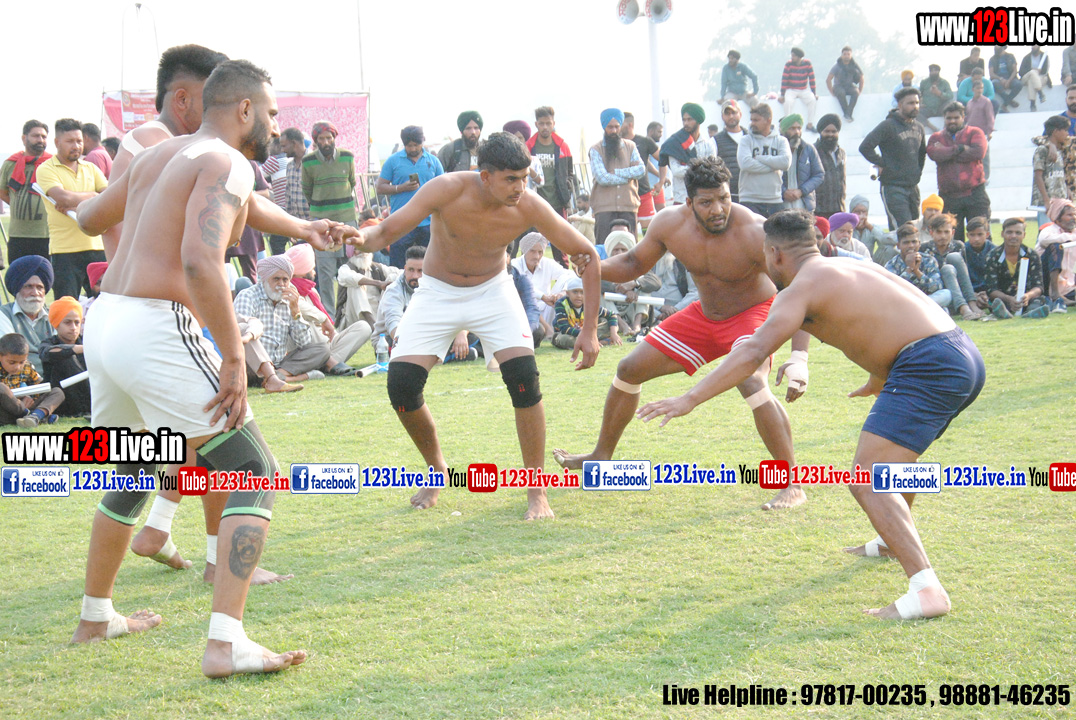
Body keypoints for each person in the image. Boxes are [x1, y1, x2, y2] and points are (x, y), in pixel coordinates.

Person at [72, 59, 346, 675]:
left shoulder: (157, 155)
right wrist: (234, 356)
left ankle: (96, 617)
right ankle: (225, 642)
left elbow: (90, 218)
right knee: (254, 470)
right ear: (244, 109)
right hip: (154, 324)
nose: (275, 123)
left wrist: (302, 226)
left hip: (106, 319)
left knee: (133, 469)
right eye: (271, 112)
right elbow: (200, 260)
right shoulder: (228, 161)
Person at [637, 208, 985, 620]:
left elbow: (752, 351)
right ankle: (892, 540)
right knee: (892, 465)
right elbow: (896, 316)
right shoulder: (850, 266)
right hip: (962, 353)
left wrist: (689, 399)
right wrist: (879, 377)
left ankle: (927, 592)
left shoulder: (798, 289)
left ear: (774, 254)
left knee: (868, 479)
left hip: (928, 365)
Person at [349, 132, 601, 521]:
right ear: (485, 176)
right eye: (511, 179)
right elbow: (383, 232)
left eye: (525, 177)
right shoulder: (446, 189)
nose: (520, 188)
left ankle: (536, 490)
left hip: (493, 290)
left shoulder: (529, 205)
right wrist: (357, 236)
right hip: (436, 291)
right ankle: (436, 468)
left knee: (524, 379)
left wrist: (590, 329)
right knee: (401, 385)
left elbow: (586, 253)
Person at [554, 157, 810, 511]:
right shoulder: (669, 224)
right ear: (688, 202)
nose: (718, 209)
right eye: (706, 202)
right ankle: (601, 456)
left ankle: (793, 484)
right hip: (705, 316)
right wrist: (594, 265)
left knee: (751, 380)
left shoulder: (755, 232)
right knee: (629, 368)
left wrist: (799, 358)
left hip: (752, 315)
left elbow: (801, 289)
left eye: (724, 198)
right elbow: (632, 264)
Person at [104, 44, 230, 260]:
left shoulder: (178, 143)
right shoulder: (150, 141)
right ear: (182, 99)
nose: (221, 111)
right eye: (214, 100)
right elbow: (111, 221)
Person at [35, 118, 108, 300]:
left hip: (96, 246)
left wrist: (77, 203)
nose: (76, 146)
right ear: (57, 142)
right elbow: (63, 198)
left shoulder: (91, 168)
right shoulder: (46, 169)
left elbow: (108, 197)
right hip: (64, 250)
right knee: (67, 306)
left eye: (79, 141)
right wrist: (94, 195)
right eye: (70, 141)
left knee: (103, 304)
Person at [233, 256, 332, 383]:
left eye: (285, 280)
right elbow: (242, 336)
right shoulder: (247, 296)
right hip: (253, 365)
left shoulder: (289, 300)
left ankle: (276, 376)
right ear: (264, 279)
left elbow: (304, 343)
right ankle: (292, 378)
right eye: (276, 279)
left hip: (280, 364)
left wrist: (295, 311)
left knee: (322, 349)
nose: (281, 284)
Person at [301, 120, 357, 316]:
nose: (325, 142)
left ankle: (349, 314)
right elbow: (307, 190)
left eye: (328, 138)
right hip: (321, 223)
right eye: (321, 139)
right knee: (325, 273)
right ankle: (329, 318)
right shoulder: (308, 162)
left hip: (347, 219)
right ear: (315, 141)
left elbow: (352, 182)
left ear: (334, 138)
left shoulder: (347, 157)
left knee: (350, 268)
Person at [859, 87, 927, 230]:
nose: (915, 106)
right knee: (903, 229)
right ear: (900, 105)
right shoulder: (888, 125)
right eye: (910, 103)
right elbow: (865, 147)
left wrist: (917, 173)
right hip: (893, 186)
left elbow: (922, 154)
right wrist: (884, 164)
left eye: (917, 103)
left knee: (915, 228)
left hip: (913, 186)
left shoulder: (919, 127)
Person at [376, 125, 444, 268]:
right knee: (398, 267)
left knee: (430, 265)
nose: (413, 149)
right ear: (404, 144)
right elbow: (380, 187)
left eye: (416, 145)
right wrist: (401, 188)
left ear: (423, 141)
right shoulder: (393, 161)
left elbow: (443, 188)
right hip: (401, 222)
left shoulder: (433, 161)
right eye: (409, 146)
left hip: (427, 222)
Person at [925, 102, 990, 242]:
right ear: (944, 118)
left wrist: (947, 151)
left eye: (956, 117)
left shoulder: (975, 132)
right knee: (952, 240)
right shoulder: (936, 137)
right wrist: (960, 148)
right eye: (949, 118)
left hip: (975, 193)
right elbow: (935, 154)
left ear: (963, 117)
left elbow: (978, 152)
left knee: (981, 236)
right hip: (949, 196)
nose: (952, 121)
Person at [526, 106, 577, 266]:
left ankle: (564, 279)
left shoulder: (562, 145)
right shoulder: (529, 146)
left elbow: (569, 172)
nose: (545, 127)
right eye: (542, 123)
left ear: (553, 123)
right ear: (536, 124)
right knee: (533, 245)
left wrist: (567, 191)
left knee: (561, 247)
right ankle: (532, 277)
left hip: (557, 203)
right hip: (535, 204)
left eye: (548, 123)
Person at [589, 108, 645, 243]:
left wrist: (618, 172)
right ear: (604, 127)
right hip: (604, 209)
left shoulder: (631, 146)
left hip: (628, 206)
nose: (614, 130)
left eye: (616, 127)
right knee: (604, 248)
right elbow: (602, 178)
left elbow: (641, 170)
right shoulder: (595, 149)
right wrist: (628, 176)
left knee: (630, 248)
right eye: (610, 127)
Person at [0, 120, 51, 262]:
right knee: (18, 274)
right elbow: (2, 192)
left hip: (46, 235)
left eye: (44, 137)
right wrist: (19, 205)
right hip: (18, 235)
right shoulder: (10, 164)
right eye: (36, 136)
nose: (40, 140)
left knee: (46, 275)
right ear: (24, 138)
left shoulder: (52, 164)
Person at [0, 255, 56, 373]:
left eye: (40, 287)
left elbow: (62, 350)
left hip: (55, 378)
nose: (35, 293)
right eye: (28, 287)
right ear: (18, 289)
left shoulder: (54, 315)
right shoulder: (4, 314)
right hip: (19, 379)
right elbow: (12, 353)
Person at [984, 218, 1048, 319]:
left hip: (1026, 299)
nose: (1013, 236)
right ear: (1002, 234)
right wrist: (1009, 299)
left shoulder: (1032, 255)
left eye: (1018, 233)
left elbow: (1038, 286)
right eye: (1009, 232)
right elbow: (991, 289)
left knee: (1039, 300)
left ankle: (1031, 312)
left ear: (1024, 235)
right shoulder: (992, 256)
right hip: (1003, 298)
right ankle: (1004, 312)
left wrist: (1028, 296)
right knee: (996, 302)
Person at [39, 296, 91, 417]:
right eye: (67, 322)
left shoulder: (87, 342)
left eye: (77, 322)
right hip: (62, 401)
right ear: (56, 324)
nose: (73, 328)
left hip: (87, 397)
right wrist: (77, 349)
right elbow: (47, 353)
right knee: (66, 357)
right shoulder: (48, 344)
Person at [737, 103, 791, 218]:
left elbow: (785, 163)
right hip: (749, 199)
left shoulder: (781, 141)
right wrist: (774, 165)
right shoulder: (745, 140)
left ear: (768, 120)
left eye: (756, 120)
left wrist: (760, 158)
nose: (752, 123)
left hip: (775, 199)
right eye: (751, 120)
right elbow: (745, 164)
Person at [0, 333, 64, 428]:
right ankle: (36, 416)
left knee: (57, 392)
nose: (17, 367)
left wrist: (29, 396)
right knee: (1, 387)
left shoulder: (27, 367)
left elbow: (40, 387)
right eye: (12, 362)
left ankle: (35, 417)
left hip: (26, 406)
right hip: (5, 411)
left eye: (21, 362)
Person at [884, 223, 952, 311]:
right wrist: (909, 269)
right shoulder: (892, 264)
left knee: (946, 294)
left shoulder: (929, 260)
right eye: (906, 243)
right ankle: (923, 309)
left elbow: (936, 287)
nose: (911, 246)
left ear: (919, 244)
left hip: (927, 298)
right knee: (943, 310)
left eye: (914, 242)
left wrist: (917, 271)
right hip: (904, 301)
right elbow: (893, 291)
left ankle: (918, 308)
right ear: (898, 246)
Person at [658, 103, 716, 206]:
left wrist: (694, 169)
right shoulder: (674, 143)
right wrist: (701, 169)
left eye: (689, 119)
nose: (686, 123)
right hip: (681, 199)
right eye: (684, 120)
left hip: (703, 198)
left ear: (698, 120)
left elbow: (712, 169)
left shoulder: (708, 144)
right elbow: (676, 171)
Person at [553, 277, 620, 349]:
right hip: (569, 334)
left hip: (587, 332)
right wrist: (587, 336)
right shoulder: (561, 304)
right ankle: (596, 342)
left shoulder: (590, 303)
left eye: (582, 292)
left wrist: (614, 333)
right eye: (575, 292)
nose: (579, 296)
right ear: (567, 293)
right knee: (565, 339)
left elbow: (611, 315)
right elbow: (564, 328)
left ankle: (591, 342)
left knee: (611, 327)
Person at [1035, 198, 1076, 311]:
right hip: (1043, 279)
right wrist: (1069, 238)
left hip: (1067, 283)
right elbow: (1044, 241)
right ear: (1058, 218)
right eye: (1069, 215)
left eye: (1074, 214)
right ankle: (1055, 293)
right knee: (1056, 246)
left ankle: (1063, 295)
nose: (1073, 218)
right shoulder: (1049, 230)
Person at [621, 112, 660, 230]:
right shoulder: (616, 144)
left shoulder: (644, 141)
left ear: (629, 124)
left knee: (648, 230)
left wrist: (661, 180)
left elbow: (662, 159)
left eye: (620, 124)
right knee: (627, 231)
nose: (617, 128)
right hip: (625, 194)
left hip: (644, 192)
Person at [1032, 116, 1072, 226]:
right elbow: (1038, 176)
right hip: (1047, 201)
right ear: (1055, 131)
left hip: (1060, 199)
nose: (1067, 134)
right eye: (1065, 130)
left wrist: (1066, 189)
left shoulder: (1060, 150)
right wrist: (1046, 200)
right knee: (1046, 230)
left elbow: (1060, 173)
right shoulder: (1042, 150)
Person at [780, 114, 824, 212]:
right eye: (792, 128)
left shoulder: (808, 149)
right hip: (780, 204)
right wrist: (783, 192)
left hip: (804, 203)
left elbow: (819, 174)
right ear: (783, 131)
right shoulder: (775, 150)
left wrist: (801, 191)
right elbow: (769, 176)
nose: (796, 132)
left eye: (799, 128)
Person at [814, 114, 846, 217]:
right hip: (819, 209)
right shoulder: (812, 151)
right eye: (827, 131)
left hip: (838, 207)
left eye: (834, 131)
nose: (830, 134)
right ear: (820, 132)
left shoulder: (841, 153)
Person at [713, 101, 746, 203]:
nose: (731, 116)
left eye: (734, 112)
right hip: (728, 196)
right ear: (722, 117)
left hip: (750, 196)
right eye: (727, 113)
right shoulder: (715, 141)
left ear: (740, 114)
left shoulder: (751, 138)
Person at [779, 47, 818, 132]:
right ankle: (787, 124)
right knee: (788, 102)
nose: (792, 57)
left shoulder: (807, 64)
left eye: (794, 56)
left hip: (803, 89)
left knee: (812, 100)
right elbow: (784, 79)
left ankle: (810, 124)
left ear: (799, 57)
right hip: (791, 89)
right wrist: (782, 94)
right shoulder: (788, 64)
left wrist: (814, 93)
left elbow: (812, 79)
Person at [826, 46, 864, 122]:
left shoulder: (854, 65)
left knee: (855, 92)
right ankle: (847, 114)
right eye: (844, 54)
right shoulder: (837, 66)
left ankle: (848, 114)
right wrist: (831, 92)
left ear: (851, 55)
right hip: (838, 86)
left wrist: (860, 90)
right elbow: (828, 79)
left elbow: (861, 77)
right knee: (841, 93)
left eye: (848, 54)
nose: (846, 56)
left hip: (849, 86)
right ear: (842, 55)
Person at [919, 64, 954, 132]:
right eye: (931, 71)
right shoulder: (924, 82)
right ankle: (933, 128)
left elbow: (950, 95)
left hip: (940, 108)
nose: (933, 72)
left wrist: (939, 93)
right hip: (927, 108)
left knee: (950, 104)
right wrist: (920, 103)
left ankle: (946, 128)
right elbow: (919, 94)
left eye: (935, 71)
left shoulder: (944, 83)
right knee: (915, 111)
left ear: (938, 72)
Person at [988, 45, 1022, 111]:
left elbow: (1015, 71)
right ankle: (1010, 101)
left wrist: (1008, 81)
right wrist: (1000, 79)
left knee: (1019, 84)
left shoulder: (1010, 56)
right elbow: (991, 74)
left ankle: (1005, 104)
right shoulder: (992, 59)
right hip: (998, 79)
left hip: (1010, 78)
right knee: (994, 83)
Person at [1019, 45, 1051, 111]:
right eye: (1032, 46)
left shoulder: (1044, 56)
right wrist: (1033, 69)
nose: (1032, 47)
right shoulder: (1027, 57)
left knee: (1032, 80)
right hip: (1026, 78)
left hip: (1041, 78)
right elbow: (1021, 72)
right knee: (1032, 72)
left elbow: (1045, 70)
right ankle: (1040, 93)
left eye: (1034, 46)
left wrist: (1039, 71)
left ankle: (1032, 104)